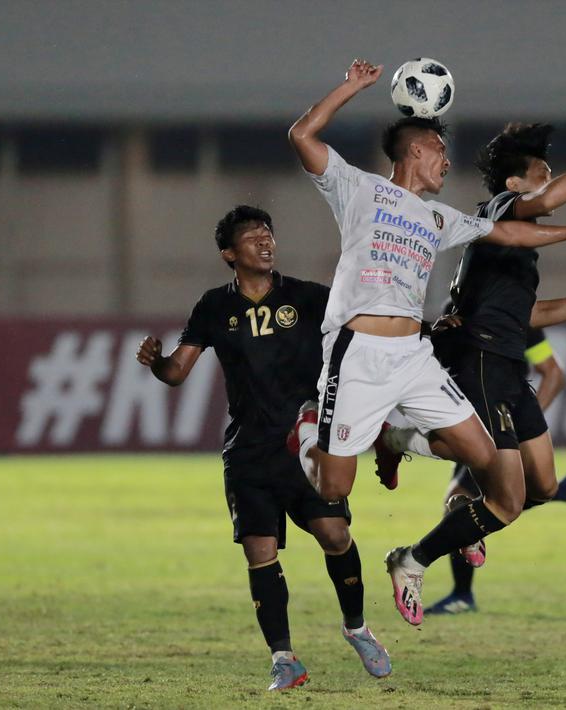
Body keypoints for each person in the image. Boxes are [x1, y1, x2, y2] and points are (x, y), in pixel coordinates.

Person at [286, 59, 566, 626]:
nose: (447, 161)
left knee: (485, 457)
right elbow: (302, 135)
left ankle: (393, 440)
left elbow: (511, 231)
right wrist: (353, 87)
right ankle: (308, 428)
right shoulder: (357, 189)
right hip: (359, 352)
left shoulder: (439, 217)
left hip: (414, 355)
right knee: (332, 486)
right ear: (415, 151)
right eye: (439, 152)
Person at [134, 206, 391, 691]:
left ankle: (356, 628)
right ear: (229, 254)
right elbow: (176, 372)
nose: (265, 242)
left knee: (334, 535)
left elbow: (362, 330)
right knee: (261, 552)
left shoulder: (310, 298)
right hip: (248, 450)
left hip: (308, 442)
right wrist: (156, 362)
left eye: (268, 234)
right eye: (253, 237)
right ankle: (284, 660)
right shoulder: (213, 307)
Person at [423, 326, 566, 616]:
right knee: (472, 501)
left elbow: (553, 372)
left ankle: (461, 594)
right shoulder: (457, 313)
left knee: (463, 500)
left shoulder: (514, 316)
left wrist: (523, 426)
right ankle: (560, 489)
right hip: (471, 422)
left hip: (495, 426)